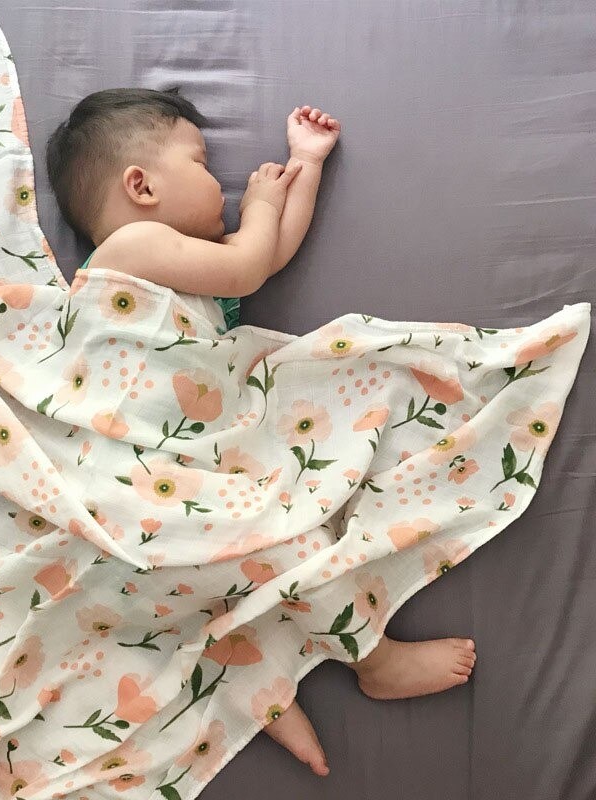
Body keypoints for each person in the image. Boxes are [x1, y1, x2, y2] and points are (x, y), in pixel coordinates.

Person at [45, 87, 478, 778]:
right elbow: (250, 256)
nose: (221, 183)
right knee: (287, 540)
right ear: (141, 186)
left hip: (190, 466)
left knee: (246, 555)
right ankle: (373, 661)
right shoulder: (128, 250)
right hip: (126, 472)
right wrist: (261, 204)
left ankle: (257, 686)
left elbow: (265, 256)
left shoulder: (187, 264)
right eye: (201, 163)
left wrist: (304, 164)